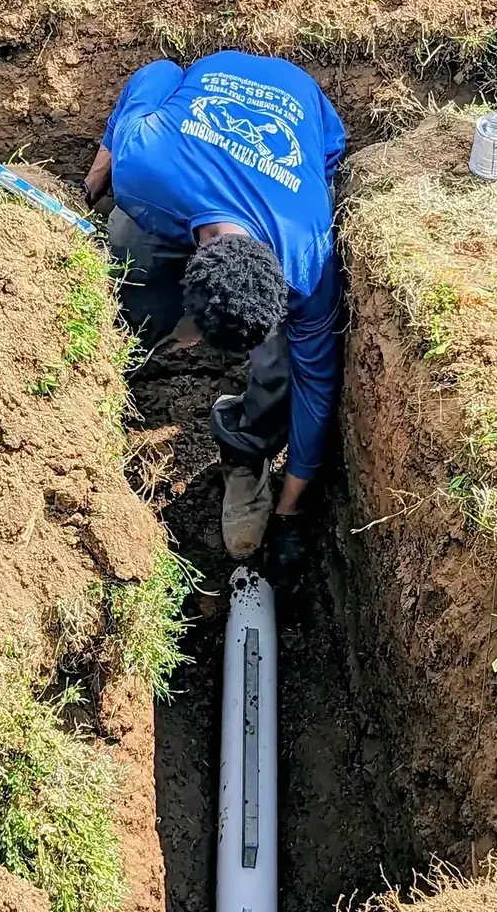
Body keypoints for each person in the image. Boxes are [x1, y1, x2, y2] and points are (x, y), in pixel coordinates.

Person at [83, 51, 346, 578]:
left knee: (284, 365)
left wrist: (290, 509)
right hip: (203, 111)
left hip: (304, 110)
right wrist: (98, 175)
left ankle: (248, 452)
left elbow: (317, 381)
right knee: (125, 247)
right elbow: (157, 72)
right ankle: (123, 359)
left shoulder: (307, 257)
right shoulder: (143, 165)